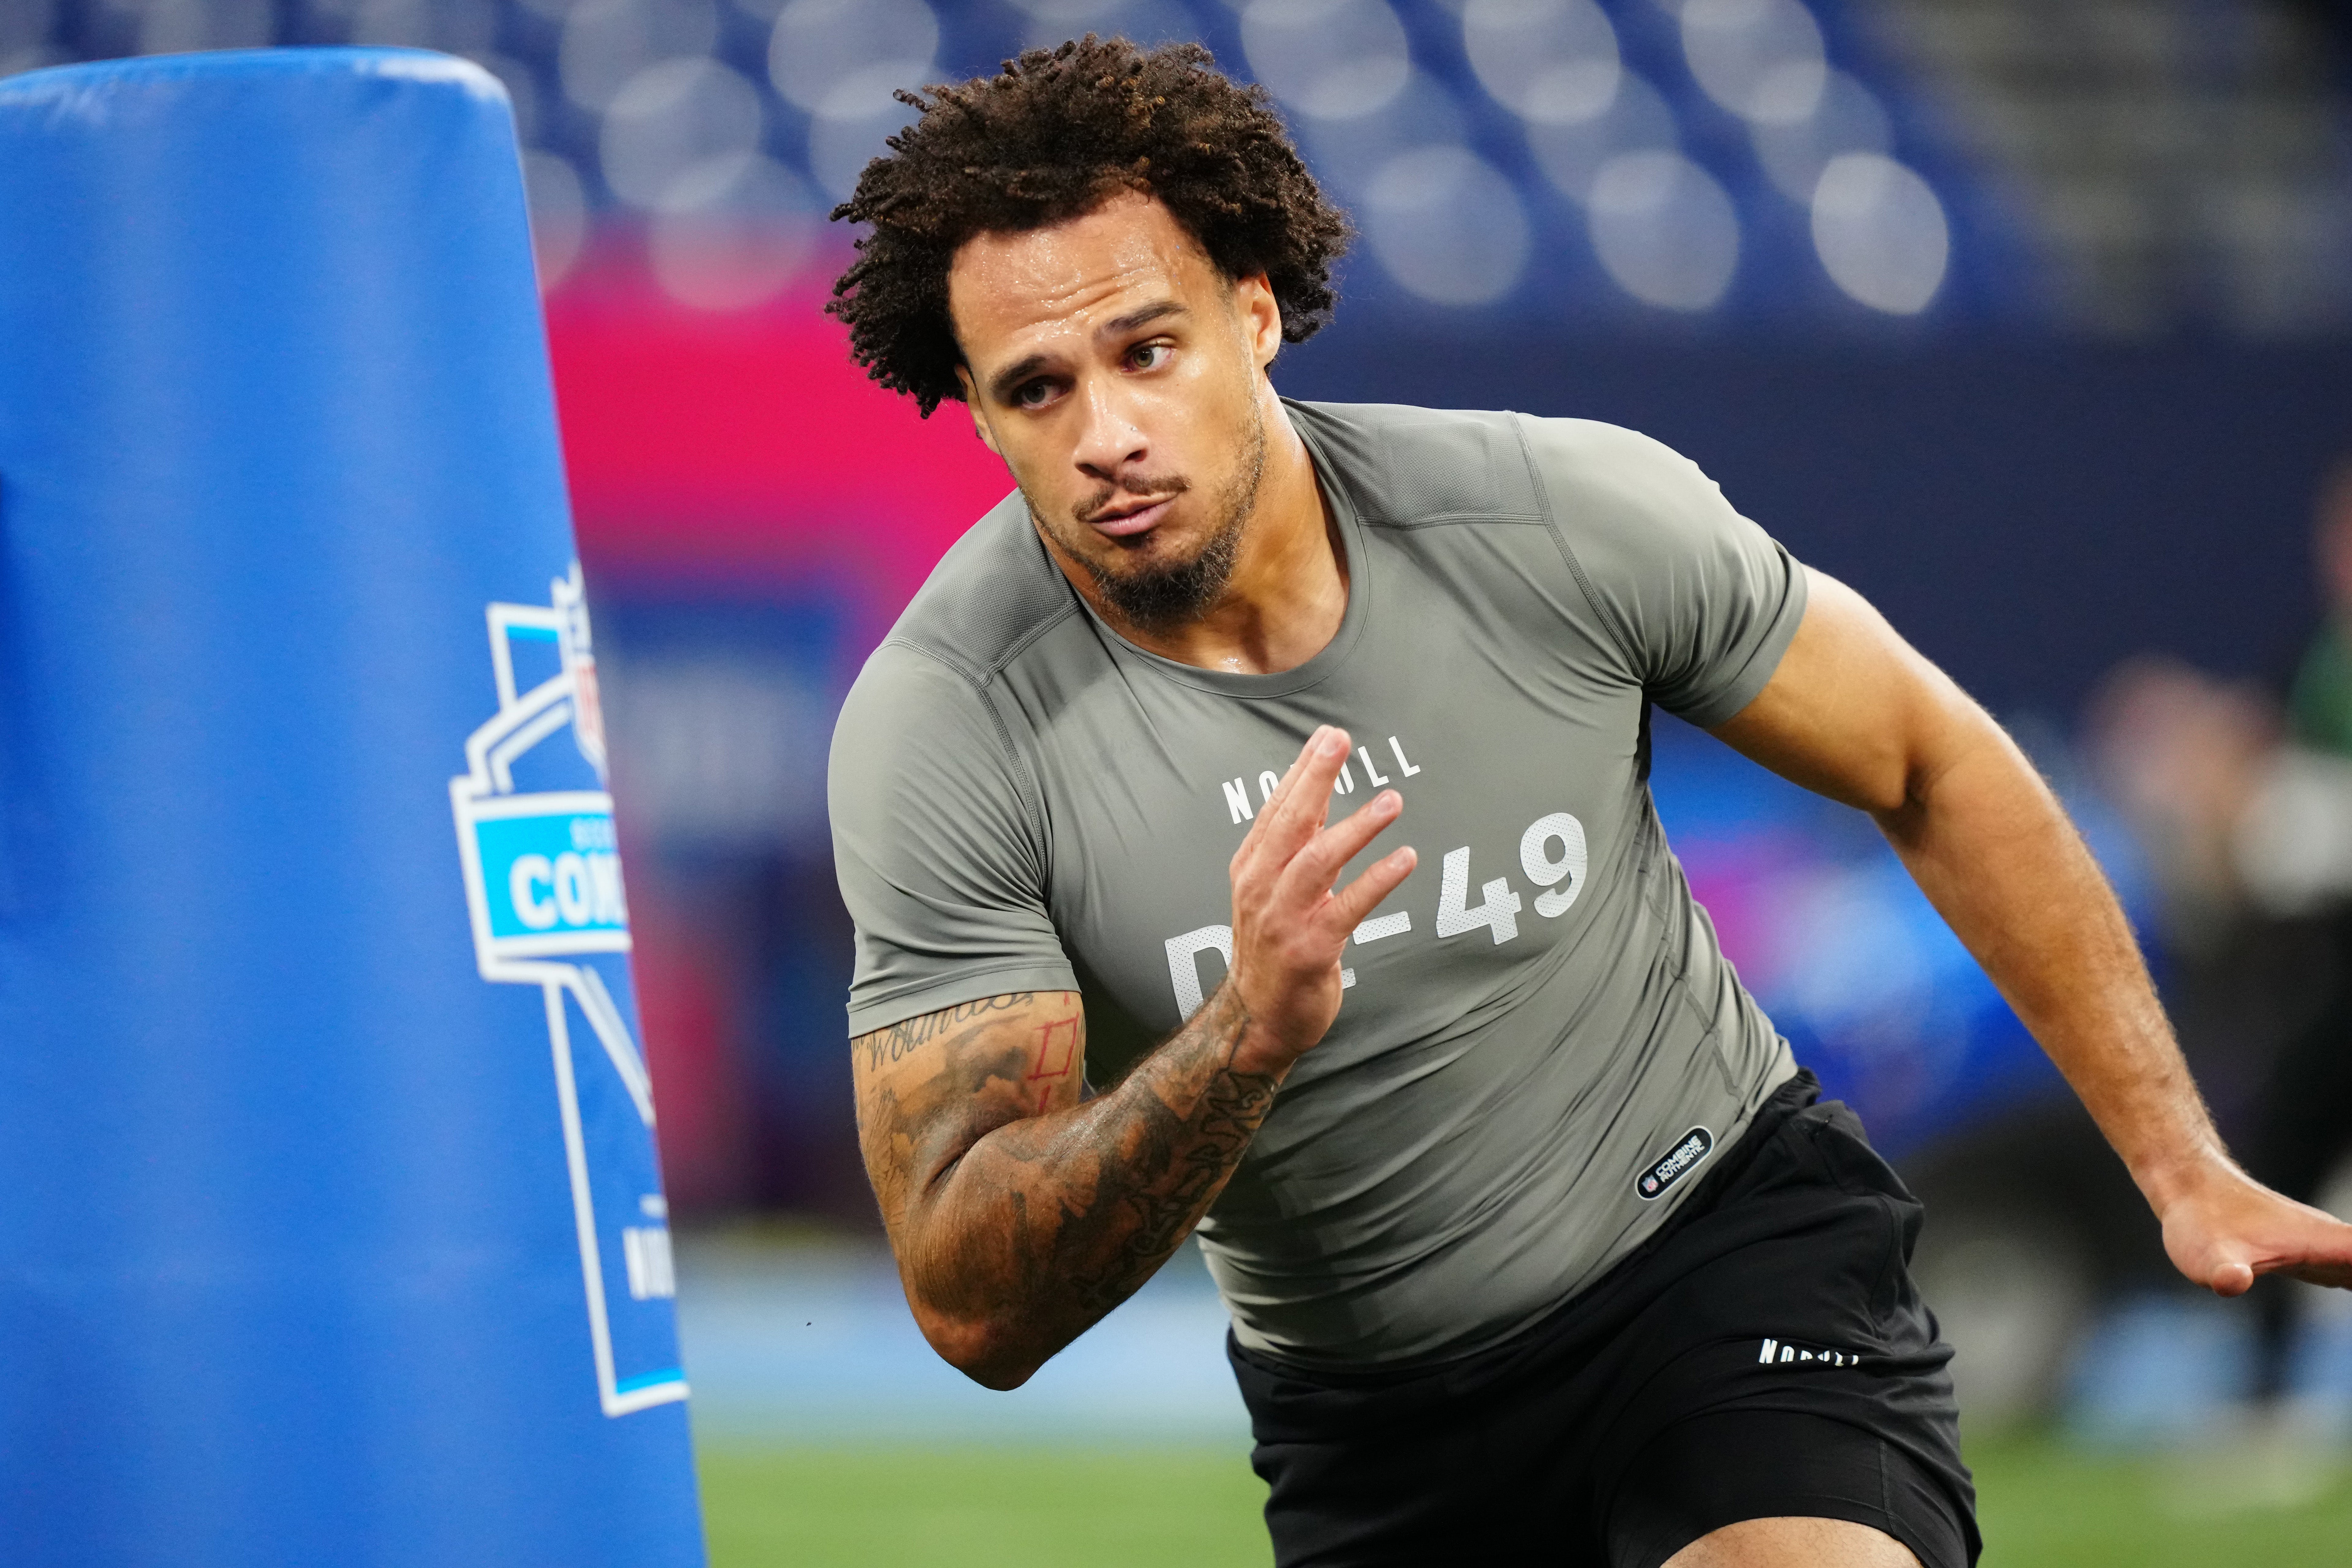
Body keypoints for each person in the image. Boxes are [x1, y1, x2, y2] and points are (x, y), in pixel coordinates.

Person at [821, 37, 2352, 1568]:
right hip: (1369, 1417)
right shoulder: (947, 724)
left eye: (1145, 349)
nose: (1104, 434)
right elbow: (972, 1295)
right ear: (973, 409)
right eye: (1037, 388)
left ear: (1255, 309)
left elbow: (1925, 757)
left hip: (1716, 1261)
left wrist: (2177, 1162)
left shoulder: (1546, 520)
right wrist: (1244, 1038)